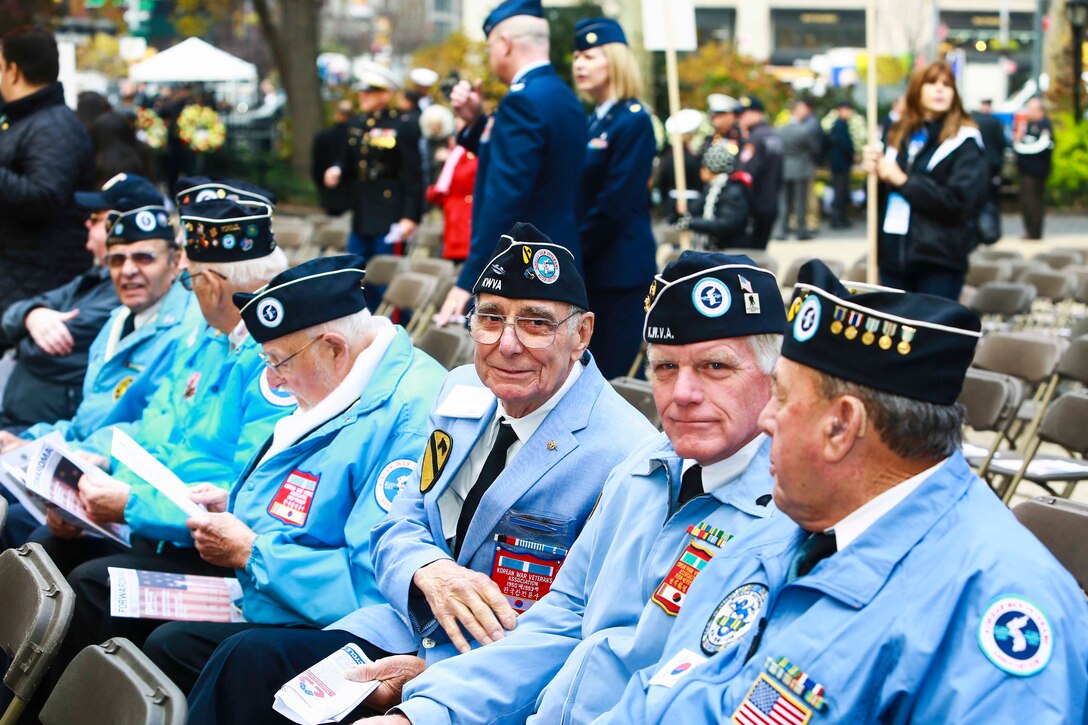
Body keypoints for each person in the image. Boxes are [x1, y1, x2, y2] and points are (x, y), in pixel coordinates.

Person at [185, 223, 658, 725]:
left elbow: (576, 627)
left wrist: (433, 678)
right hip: (398, 627)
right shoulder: (463, 393)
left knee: (245, 667)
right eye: (490, 318)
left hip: (492, 676)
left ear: (581, 333)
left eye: (537, 324)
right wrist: (427, 570)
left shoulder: (622, 452)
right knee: (244, 665)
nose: (508, 344)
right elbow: (397, 524)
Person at [598, 260, 1088, 723]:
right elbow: (665, 693)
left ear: (842, 426)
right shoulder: (791, 529)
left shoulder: (994, 608)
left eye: (784, 398)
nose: (766, 418)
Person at [382, 252, 786, 725]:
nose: (683, 394)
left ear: (775, 379)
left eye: (716, 367)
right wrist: (424, 711)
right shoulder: (645, 471)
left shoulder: (792, 517)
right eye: (664, 368)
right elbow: (562, 619)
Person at [136, 254, 447, 692]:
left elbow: (372, 582)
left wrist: (253, 552)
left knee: (179, 646)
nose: (274, 381)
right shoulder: (345, 384)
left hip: (348, 628)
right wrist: (241, 507)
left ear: (335, 348)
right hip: (278, 594)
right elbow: (323, 502)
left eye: (279, 362)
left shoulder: (408, 417)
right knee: (149, 628)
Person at [0, 174, 187, 441]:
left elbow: (157, 429)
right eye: (117, 260)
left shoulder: (186, 327)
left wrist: (86, 452)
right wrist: (29, 441)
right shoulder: (118, 317)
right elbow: (84, 423)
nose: (129, 271)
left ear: (174, 262)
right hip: (59, 438)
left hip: (122, 467)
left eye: (144, 259)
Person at [434, 0, 587, 324]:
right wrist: (477, 122)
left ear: (504, 44)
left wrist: (471, 276)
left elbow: (505, 197)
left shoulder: (523, 100)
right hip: (556, 261)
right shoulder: (561, 96)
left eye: (490, 46)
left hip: (523, 267)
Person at [570, 17, 657, 380]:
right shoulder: (595, 120)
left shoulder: (633, 120)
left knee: (613, 380)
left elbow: (615, 203)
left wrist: (571, 248)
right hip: (594, 265)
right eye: (576, 56)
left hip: (619, 270)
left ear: (615, 60)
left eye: (589, 55)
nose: (578, 64)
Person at [862, 60, 987, 300]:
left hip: (938, 260)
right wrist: (874, 175)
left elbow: (957, 203)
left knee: (929, 334)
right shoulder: (898, 136)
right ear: (917, 89)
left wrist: (902, 181)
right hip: (892, 257)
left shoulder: (965, 142)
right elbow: (875, 202)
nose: (940, 89)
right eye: (931, 83)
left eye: (947, 85)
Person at [0, 25, 95, 330]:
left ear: (13, 70)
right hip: (21, 282)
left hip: (38, 290)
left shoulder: (53, 126)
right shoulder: (28, 121)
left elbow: (43, 197)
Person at [324, 68, 422, 309]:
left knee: (386, 280)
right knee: (356, 275)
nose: (363, 96)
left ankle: (393, 330)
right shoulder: (357, 124)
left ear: (386, 94)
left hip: (390, 214)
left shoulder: (402, 124)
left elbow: (413, 175)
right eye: (363, 91)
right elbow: (346, 159)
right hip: (362, 211)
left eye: (370, 91)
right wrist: (336, 169)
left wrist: (410, 216)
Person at [674, 143, 751, 250]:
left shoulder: (732, 191)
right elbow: (697, 208)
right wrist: (685, 209)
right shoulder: (711, 188)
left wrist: (692, 223)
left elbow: (725, 224)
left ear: (709, 169)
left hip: (728, 249)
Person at [424, 117, 476, 261]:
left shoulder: (469, 153)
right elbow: (439, 192)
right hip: (454, 216)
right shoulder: (456, 152)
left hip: (465, 217)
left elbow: (463, 180)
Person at [735, 95, 782, 250]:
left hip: (755, 203)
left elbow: (744, 173)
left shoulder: (755, 138)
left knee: (752, 252)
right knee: (761, 248)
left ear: (757, 113)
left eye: (745, 114)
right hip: (770, 201)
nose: (740, 118)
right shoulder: (772, 134)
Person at [777, 98, 823, 240]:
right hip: (801, 168)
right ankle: (801, 230)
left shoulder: (780, 130)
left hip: (784, 168)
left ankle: (782, 229)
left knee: (784, 201)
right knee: (800, 201)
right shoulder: (805, 130)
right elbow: (815, 148)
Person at [1013, 96, 1052, 241]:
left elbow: (1040, 145)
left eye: (1030, 108)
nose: (1028, 111)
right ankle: (1030, 231)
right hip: (1025, 171)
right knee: (1026, 203)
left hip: (1036, 172)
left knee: (1033, 202)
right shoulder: (1029, 125)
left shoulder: (1044, 125)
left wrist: (1019, 146)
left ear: (1039, 110)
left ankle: (1035, 233)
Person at [310, 99, 354, 216]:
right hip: (351, 194)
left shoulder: (323, 137)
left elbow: (317, 166)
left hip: (330, 193)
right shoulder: (353, 137)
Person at [972, 99, 1007, 245]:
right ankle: (993, 231)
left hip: (976, 164)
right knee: (992, 199)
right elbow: (1002, 143)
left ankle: (980, 232)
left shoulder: (974, 121)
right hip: (993, 165)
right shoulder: (995, 122)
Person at [828, 101, 855, 229]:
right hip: (840, 164)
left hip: (840, 164)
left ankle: (840, 218)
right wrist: (852, 154)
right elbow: (844, 144)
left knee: (841, 193)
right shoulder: (839, 125)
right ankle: (837, 219)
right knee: (839, 193)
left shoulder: (840, 124)